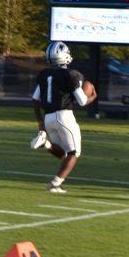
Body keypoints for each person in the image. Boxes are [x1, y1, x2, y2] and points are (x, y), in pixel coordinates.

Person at [30, 41, 96, 193]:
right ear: (64, 56)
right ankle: (55, 184)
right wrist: (93, 95)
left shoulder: (44, 74)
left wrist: (40, 122)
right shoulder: (71, 74)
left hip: (48, 118)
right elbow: (82, 101)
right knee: (74, 153)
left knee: (64, 154)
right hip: (64, 115)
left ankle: (45, 144)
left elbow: (35, 99)